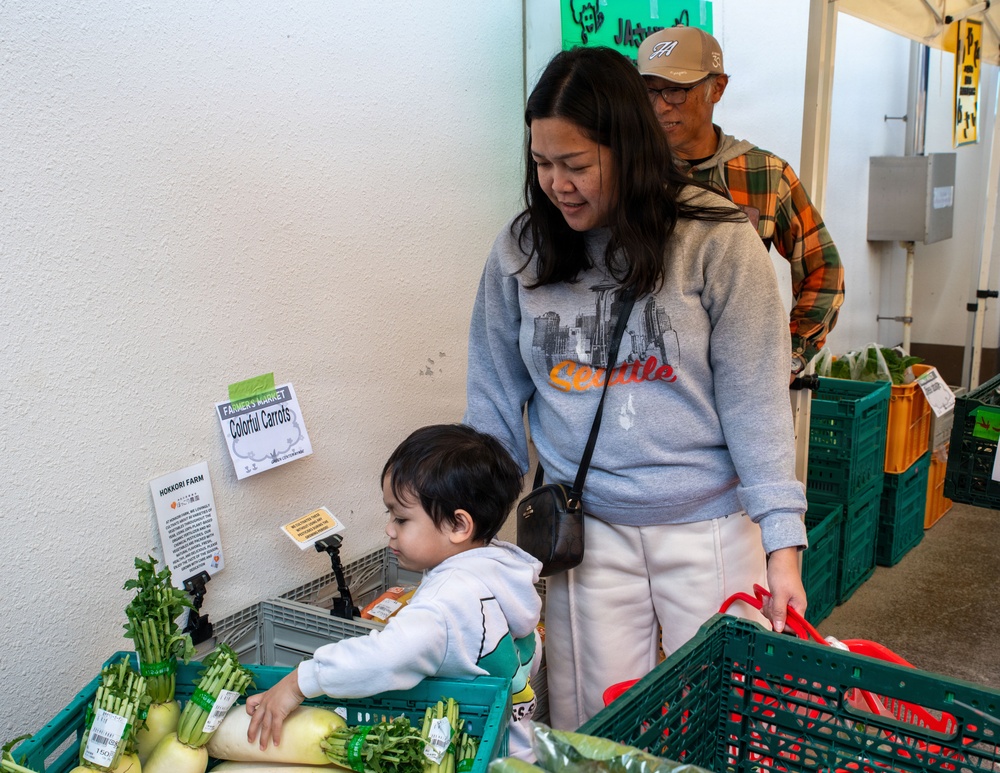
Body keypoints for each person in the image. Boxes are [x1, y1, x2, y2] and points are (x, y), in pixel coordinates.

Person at [463, 46, 808, 730]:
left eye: (577, 164)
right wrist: (468, 544)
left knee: (725, 721)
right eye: (542, 163)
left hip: (710, 526)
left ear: (628, 148)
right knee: (596, 721)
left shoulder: (715, 239)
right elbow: (493, 404)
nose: (557, 184)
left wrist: (783, 547)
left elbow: (756, 403)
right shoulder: (522, 252)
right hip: (584, 535)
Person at [245, 423, 544, 759]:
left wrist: (299, 682)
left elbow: (382, 659)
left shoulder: (444, 603)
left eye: (401, 518)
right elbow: (529, 653)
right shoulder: (501, 570)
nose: (389, 528)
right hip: (517, 746)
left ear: (458, 526)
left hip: (477, 759)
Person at [636, 26, 845, 381]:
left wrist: (791, 355)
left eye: (676, 90)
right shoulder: (629, 170)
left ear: (717, 88)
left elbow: (823, 270)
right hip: (648, 375)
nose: (660, 106)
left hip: (739, 373)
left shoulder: (764, 173)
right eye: (649, 90)